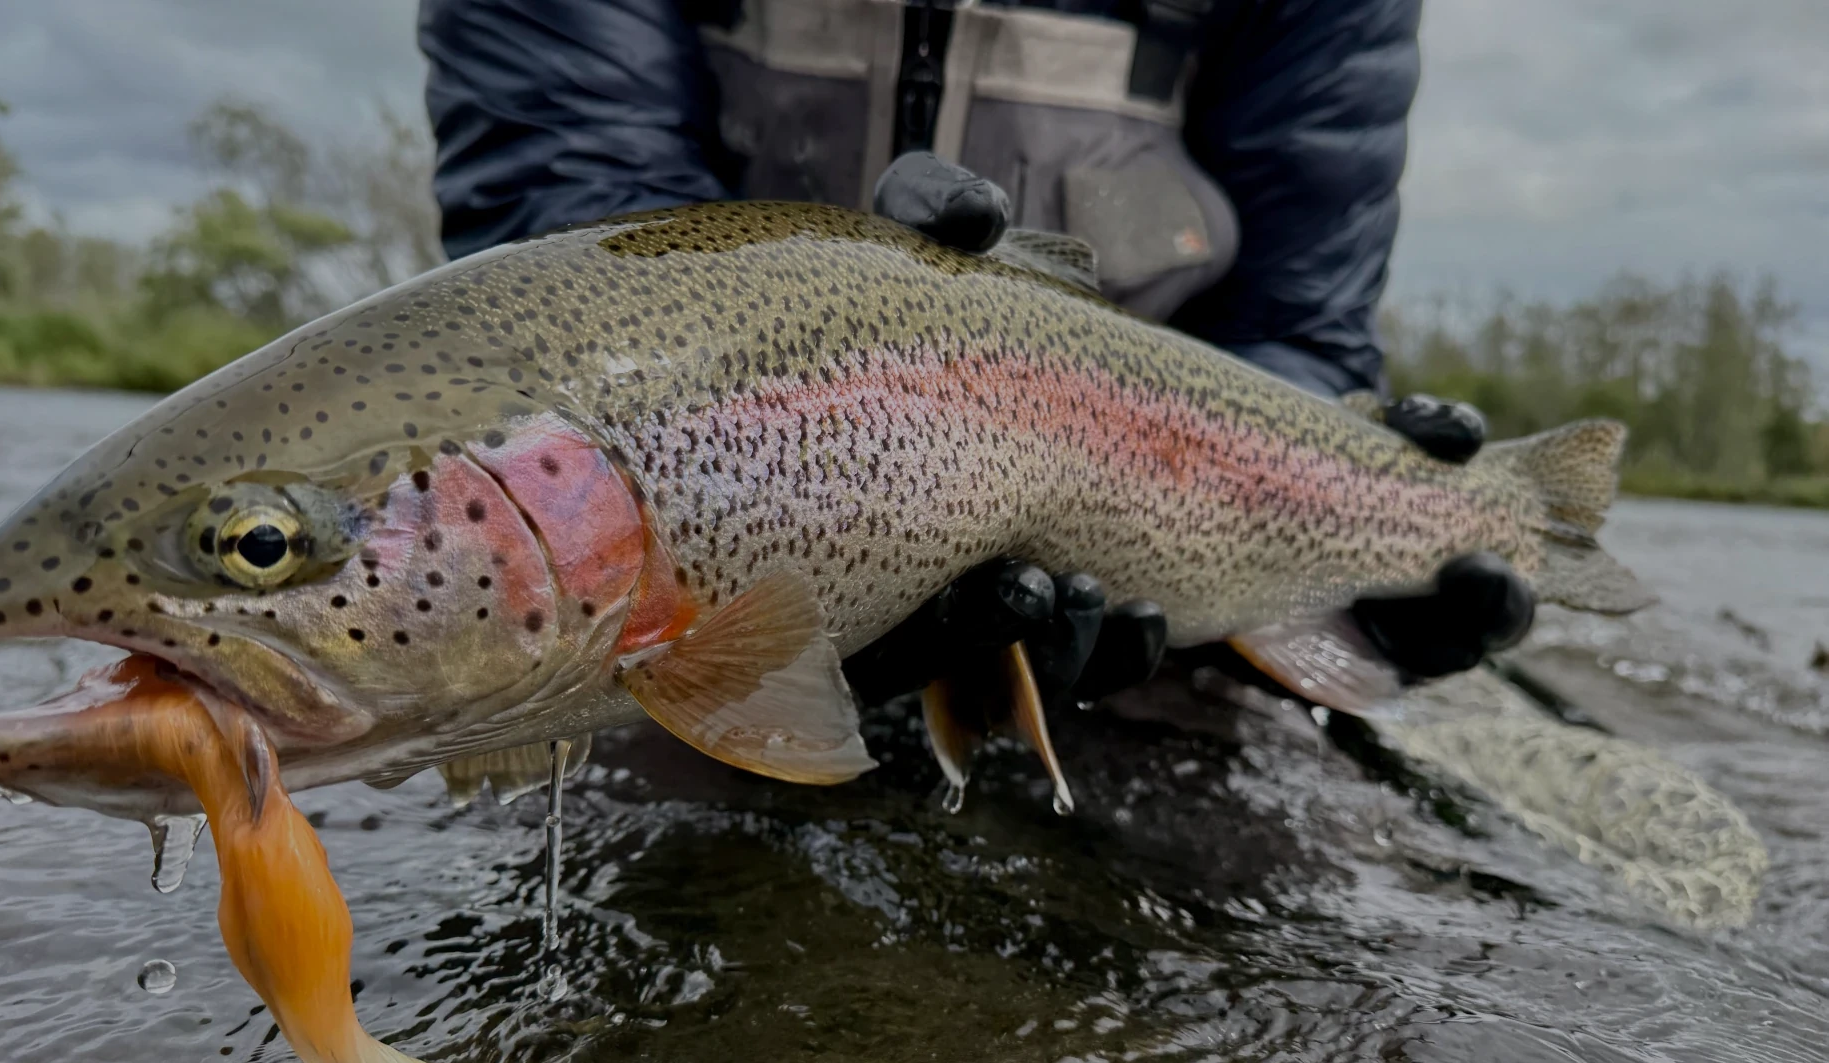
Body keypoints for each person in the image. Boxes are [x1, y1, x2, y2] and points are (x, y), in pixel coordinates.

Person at [415, 0, 1533, 710]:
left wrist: (1340, 535)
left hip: (1145, 612)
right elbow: (577, 255)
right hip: (704, 554)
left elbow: (1293, 320)